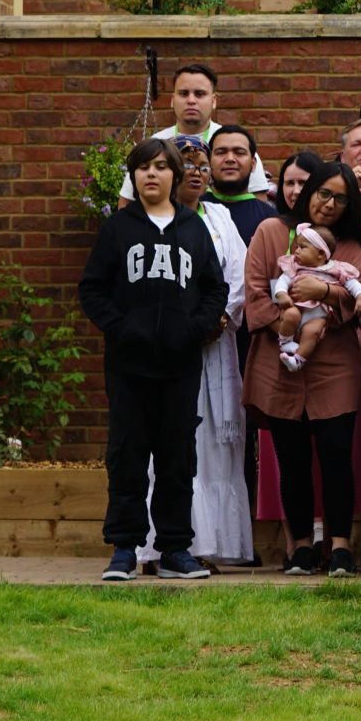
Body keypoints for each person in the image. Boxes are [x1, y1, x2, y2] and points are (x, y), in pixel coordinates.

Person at [81, 138, 225, 582]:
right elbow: (92, 289)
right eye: (144, 167)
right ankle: (124, 549)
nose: (152, 173)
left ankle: (175, 550)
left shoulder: (193, 228)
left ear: (175, 176)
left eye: (161, 166)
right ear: (134, 175)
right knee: (127, 456)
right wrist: (123, 328)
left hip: (180, 366)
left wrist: (194, 329)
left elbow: (214, 289)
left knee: (177, 459)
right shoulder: (118, 229)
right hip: (129, 366)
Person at [244, 161, 361, 578]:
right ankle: (300, 545)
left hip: (334, 364)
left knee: (336, 454)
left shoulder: (351, 246)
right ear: (309, 191)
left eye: (341, 198)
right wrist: (291, 322)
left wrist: (327, 291)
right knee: (291, 457)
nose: (330, 204)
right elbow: (255, 295)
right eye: (324, 193)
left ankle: (340, 547)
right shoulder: (271, 232)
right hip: (279, 361)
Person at [161, 142, 249, 569]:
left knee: (214, 445)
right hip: (170, 348)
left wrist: (218, 320)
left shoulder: (220, 217)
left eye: (202, 165)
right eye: (186, 165)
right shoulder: (156, 221)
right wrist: (186, 327)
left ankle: (209, 544)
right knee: (174, 442)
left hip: (216, 346)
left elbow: (238, 275)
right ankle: (165, 544)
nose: (196, 172)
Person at [119, 62, 271, 201]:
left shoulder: (234, 142)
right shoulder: (155, 143)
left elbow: (258, 202)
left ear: (213, 101)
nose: (191, 100)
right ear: (172, 100)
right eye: (184, 93)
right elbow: (127, 201)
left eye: (199, 94)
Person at [269, 225, 361, 373]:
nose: (296, 250)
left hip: (318, 316)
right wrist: (281, 294)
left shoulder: (336, 269)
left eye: (302, 247)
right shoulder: (295, 267)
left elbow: (352, 284)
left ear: (321, 254)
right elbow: (283, 280)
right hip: (297, 308)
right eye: (297, 246)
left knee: (313, 332)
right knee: (290, 315)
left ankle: (298, 360)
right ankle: (285, 342)